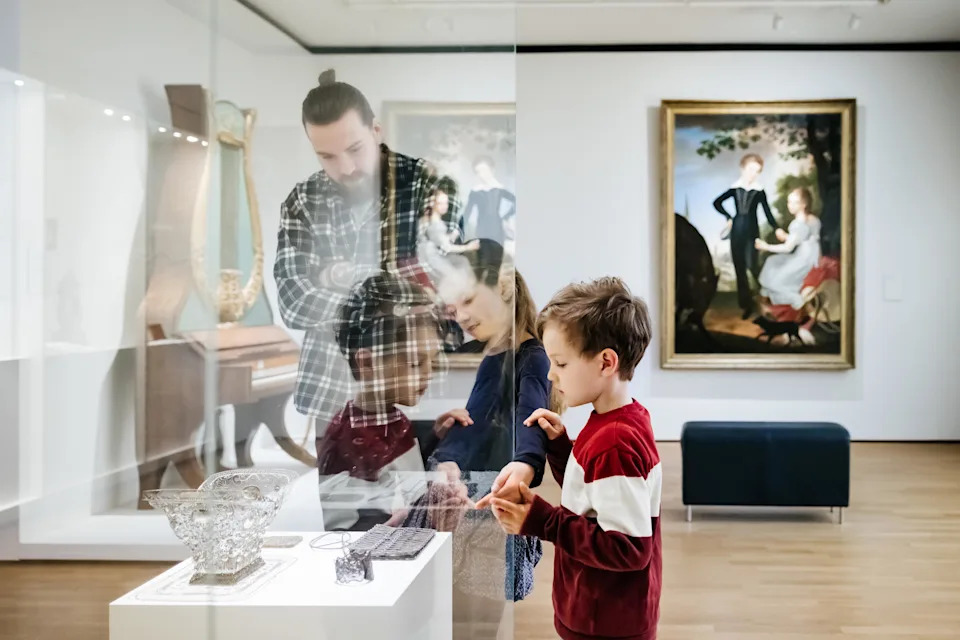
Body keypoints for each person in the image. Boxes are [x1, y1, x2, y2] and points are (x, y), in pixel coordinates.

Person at [273, 68, 461, 429]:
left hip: (416, 388)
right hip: (331, 392)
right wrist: (389, 288)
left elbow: (440, 292)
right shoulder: (303, 199)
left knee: (427, 467)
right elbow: (294, 303)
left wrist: (334, 279)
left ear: (376, 130)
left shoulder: (427, 184)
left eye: (354, 149)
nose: (345, 167)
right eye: (326, 156)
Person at [487, 277, 662, 640]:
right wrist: (560, 447)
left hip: (606, 624)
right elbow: (594, 496)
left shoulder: (615, 443)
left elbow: (629, 549)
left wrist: (543, 521)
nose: (551, 375)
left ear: (606, 362)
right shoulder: (617, 421)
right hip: (599, 612)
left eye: (561, 363)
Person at [315, 272, 469, 531]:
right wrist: (426, 516)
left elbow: (406, 477)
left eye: (431, 361)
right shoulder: (349, 438)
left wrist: (434, 437)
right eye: (415, 363)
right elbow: (352, 528)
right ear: (367, 363)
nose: (428, 373)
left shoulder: (395, 419)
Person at [713, 153, 784, 319]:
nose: (754, 174)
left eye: (757, 171)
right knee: (740, 269)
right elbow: (717, 203)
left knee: (753, 266)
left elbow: (767, 212)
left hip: (752, 233)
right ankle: (746, 305)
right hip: (737, 232)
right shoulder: (735, 188)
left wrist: (777, 228)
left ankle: (769, 298)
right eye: (751, 169)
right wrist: (728, 217)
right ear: (743, 169)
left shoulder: (759, 191)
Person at [755, 186, 822, 310]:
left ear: (803, 205)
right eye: (789, 202)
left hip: (804, 258)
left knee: (775, 280)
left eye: (794, 202)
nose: (789, 205)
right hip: (812, 254)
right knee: (772, 261)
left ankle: (798, 301)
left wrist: (766, 246)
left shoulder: (798, 223)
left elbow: (788, 248)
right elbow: (802, 238)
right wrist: (787, 236)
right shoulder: (812, 218)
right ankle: (764, 296)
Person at [459, 156, 516, 252]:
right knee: (483, 258)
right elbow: (467, 213)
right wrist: (458, 230)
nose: (481, 174)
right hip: (482, 231)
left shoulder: (499, 189)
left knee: (496, 258)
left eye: (484, 170)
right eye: (478, 172)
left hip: (497, 231)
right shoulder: (475, 191)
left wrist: (506, 217)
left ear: (492, 170)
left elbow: (516, 202)